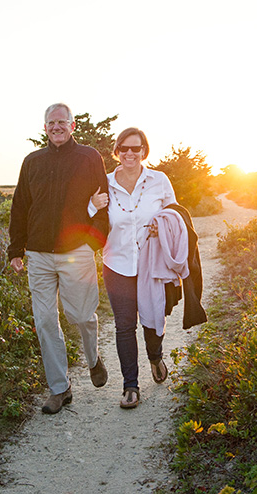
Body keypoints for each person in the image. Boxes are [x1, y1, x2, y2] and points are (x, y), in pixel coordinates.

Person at [8, 103, 110, 415]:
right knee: (44, 321)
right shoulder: (32, 161)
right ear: (45, 128)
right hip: (38, 255)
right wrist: (16, 250)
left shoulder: (89, 157)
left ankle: (93, 358)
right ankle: (59, 388)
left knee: (81, 315)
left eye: (61, 122)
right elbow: (20, 206)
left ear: (72, 125)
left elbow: (103, 202)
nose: (56, 127)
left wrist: (92, 242)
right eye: (51, 123)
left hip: (75, 253)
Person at [91, 127, 180, 409]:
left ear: (144, 151)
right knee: (124, 325)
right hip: (116, 263)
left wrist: (161, 225)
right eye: (124, 148)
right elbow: (88, 219)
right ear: (117, 151)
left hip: (151, 263)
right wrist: (92, 205)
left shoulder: (159, 180)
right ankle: (130, 386)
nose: (130, 153)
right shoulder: (103, 183)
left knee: (153, 317)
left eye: (136, 148)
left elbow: (175, 215)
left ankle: (155, 356)